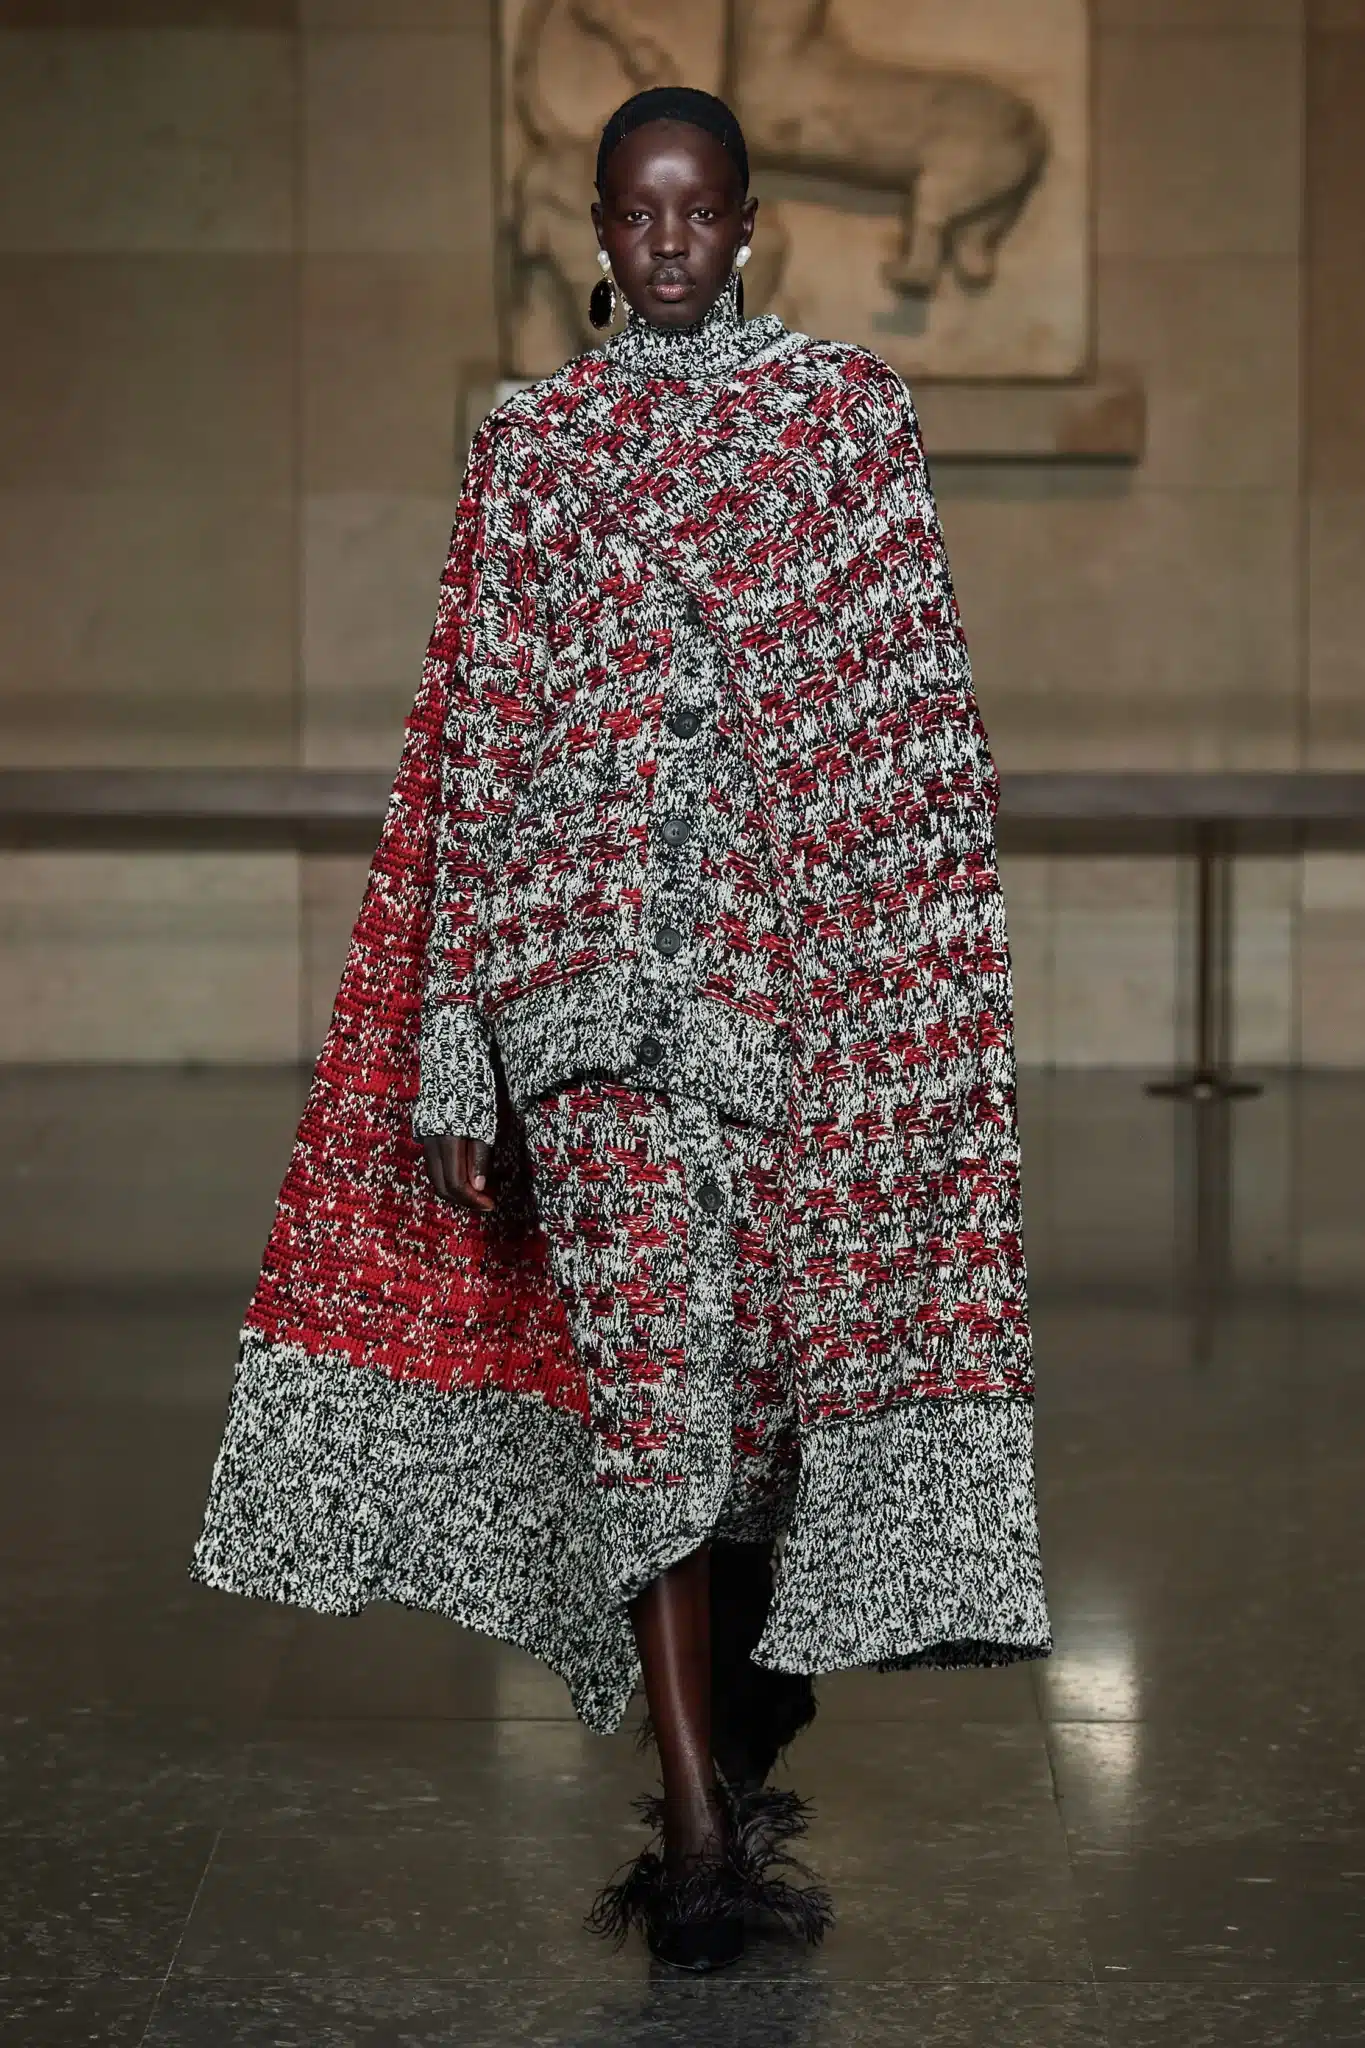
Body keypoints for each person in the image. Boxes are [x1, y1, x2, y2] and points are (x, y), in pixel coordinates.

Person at [193, 85, 1050, 1974]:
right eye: (637, 213)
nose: (668, 243)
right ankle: (692, 1830)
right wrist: (455, 1047)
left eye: (699, 212)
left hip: (778, 998)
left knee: (749, 1401)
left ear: (746, 225)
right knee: (651, 1386)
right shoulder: (532, 445)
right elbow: (476, 738)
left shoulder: (843, 418)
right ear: (595, 228)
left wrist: (905, 1008)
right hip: (572, 1002)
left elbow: (908, 717)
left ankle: (736, 1731)